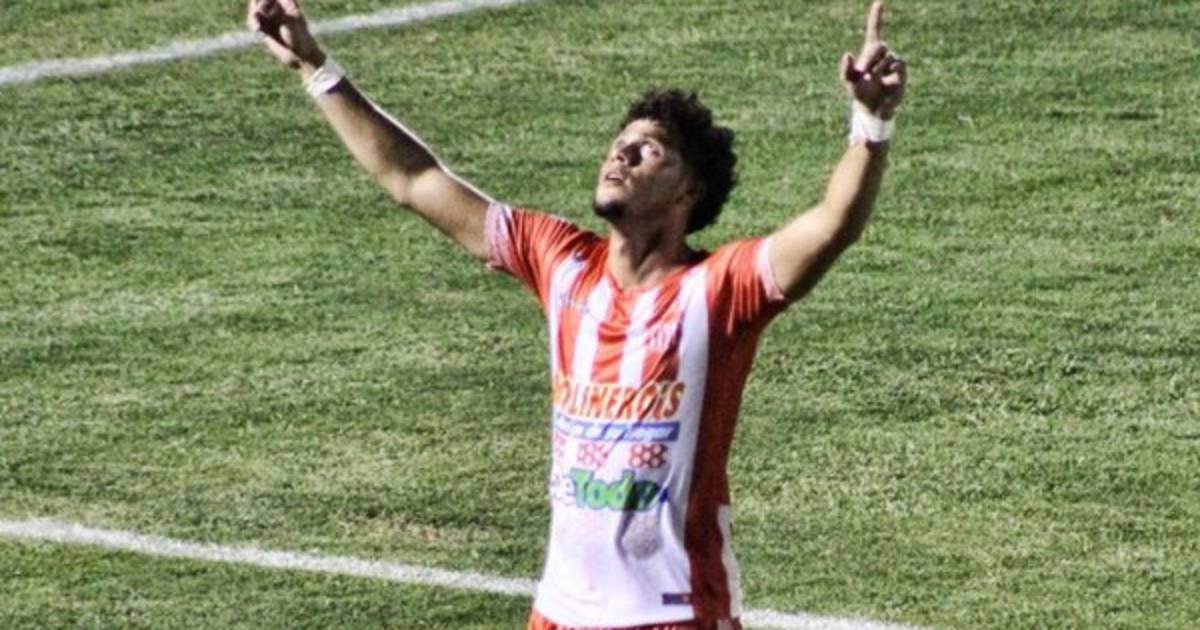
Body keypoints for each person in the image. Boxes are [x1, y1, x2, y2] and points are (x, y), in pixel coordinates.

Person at [247, 1, 906, 628]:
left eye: (648, 149)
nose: (621, 154)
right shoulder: (558, 260)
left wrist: (870, 127)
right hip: (559, 612)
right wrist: (315, 67)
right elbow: (414, 180)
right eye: (620, 142)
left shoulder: (718, 289)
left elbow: (831, 226)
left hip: (672, 614)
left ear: (689, 190)